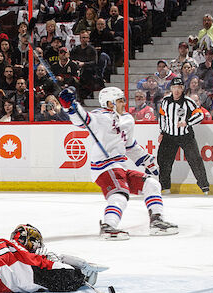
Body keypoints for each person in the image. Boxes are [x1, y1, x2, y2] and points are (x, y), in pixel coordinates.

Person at [58, 86, 179, 240]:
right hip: (105, 167)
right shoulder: (100, 117)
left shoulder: (127, 119)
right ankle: (108, 226)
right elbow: (82, 120)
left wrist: (148, 161)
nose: (124, 104)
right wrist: (69, 105)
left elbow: (130, 145)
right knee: (120, 194)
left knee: (152, 184)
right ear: (110, 104)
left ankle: (157, 222)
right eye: (120, 101)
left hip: (120, 168)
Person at [157, 77, 209, 194]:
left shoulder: (188, 101)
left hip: (185, 136)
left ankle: (204, 186)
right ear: (171, 88)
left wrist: (187, 122)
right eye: (174, 87)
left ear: (182, 89)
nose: (176, 90)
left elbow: (200, 115)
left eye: (179, 88)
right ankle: (165, 187)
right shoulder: (165, 101)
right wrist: (162, 132)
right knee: (163, 161)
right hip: (169, 136)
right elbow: (162, 117)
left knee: (195, 160)